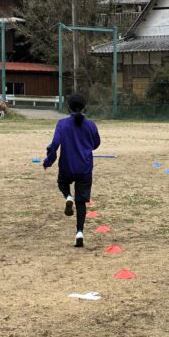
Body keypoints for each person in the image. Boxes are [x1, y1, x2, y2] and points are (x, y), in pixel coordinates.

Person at [43, 93, 101, 248]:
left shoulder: (62, 124)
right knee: (81, 201)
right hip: (85, 167)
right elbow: (96, 144)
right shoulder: (91, 125)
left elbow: (55, 144)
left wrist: (48, 161)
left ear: (68, 107)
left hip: (67, 165)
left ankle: (68, 196)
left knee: (62, 183)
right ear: (84, 107)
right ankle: (79, 233)